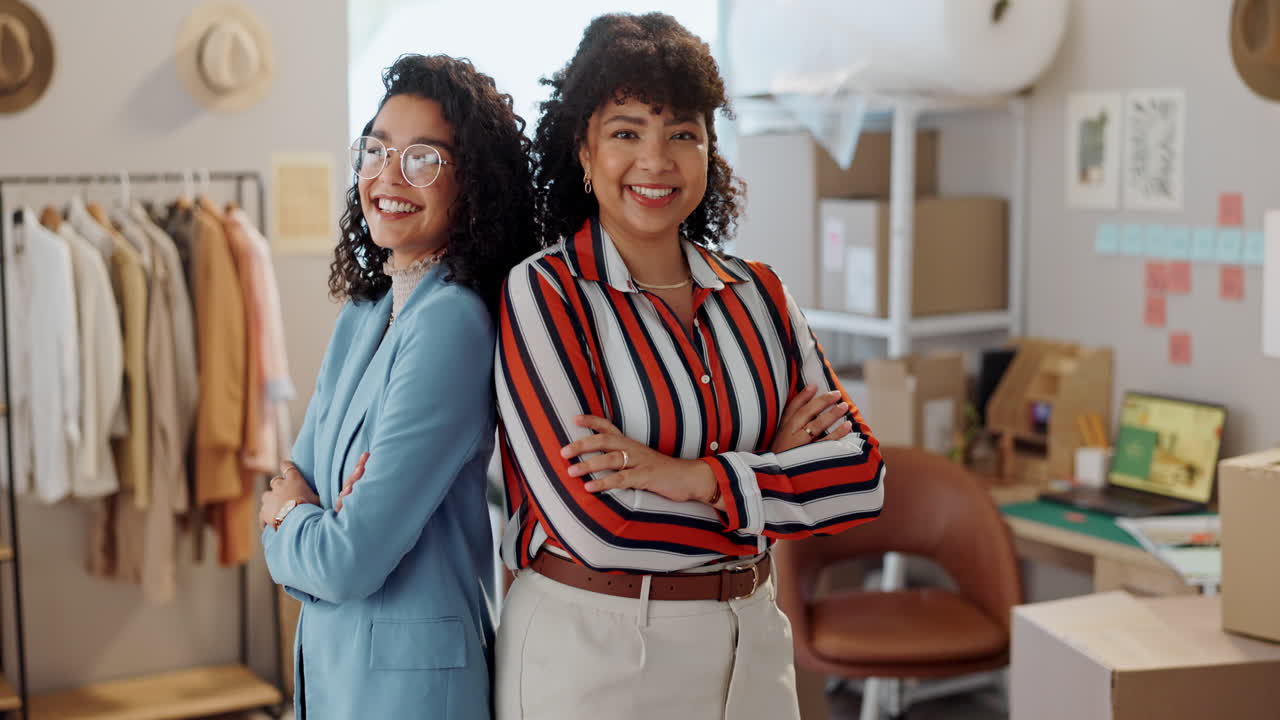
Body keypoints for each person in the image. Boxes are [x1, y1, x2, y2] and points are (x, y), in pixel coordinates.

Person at [494, 12, 886, 720]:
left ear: (710, 150)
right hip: (596, 650)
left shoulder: (760, 293)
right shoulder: (545, 292)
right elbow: (598, 527)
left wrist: (693, 478)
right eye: (625, 133)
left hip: (753, 642)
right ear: (583, 152)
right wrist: (772, 478)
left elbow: (861, 477)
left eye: (682, 133)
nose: (656, 160)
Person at [259, 53, 537, 719]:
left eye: (423, 159)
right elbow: (292, 476)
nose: (388, 176)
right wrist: (308, 513)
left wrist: (294, 516)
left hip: (410, 688)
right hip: (337, 664)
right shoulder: (367, 309)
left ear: (473, 182)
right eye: (377, 151)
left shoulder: (452, 323)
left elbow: (342, 560)